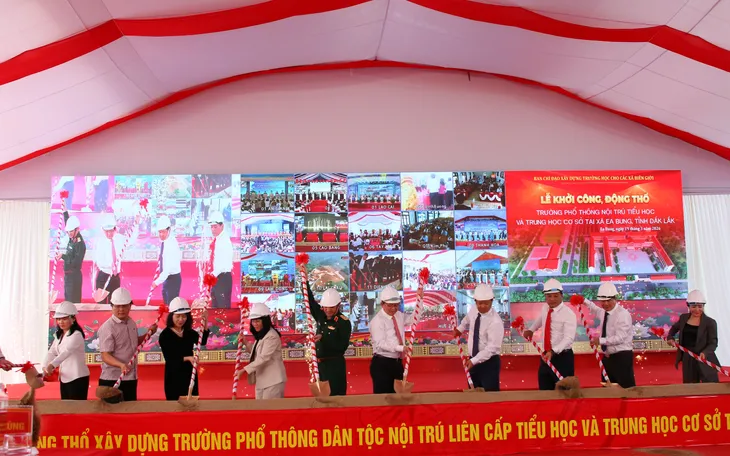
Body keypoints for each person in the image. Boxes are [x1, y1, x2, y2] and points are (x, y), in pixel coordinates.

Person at [97, 288, 158, 401]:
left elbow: (134, 342)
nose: (121, 309)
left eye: (124, 306)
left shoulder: (131, 323)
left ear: (130, 306)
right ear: (112, 306)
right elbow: (105, 356)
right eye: (117, 306)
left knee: (130, 409)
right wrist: (121, 365)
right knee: (111, 411)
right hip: (112, 379)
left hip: (130, 377)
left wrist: (149, 333)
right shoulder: (107, 327)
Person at [573, 282, 635, 388]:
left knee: (624, 390)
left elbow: (620, 338)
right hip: (608, 357)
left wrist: (600, 341)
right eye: (603, 301)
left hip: (622, 358)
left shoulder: (623, 315)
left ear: (615, 298)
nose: (605, 304)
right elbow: (595, 309)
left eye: (608, 300)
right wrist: (583, 300)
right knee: (607, 389)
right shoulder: (604, 312)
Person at [523, 279, 577, 391]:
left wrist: (553, 351)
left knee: (564, 392)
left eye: (555, 296)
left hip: (562, 357)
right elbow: (541, 319)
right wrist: (531, 330)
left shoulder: (568, 314)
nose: (552, 299)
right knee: (544, 390)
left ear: (562, 295)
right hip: (546, 356)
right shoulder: (545, 308)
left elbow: (568, 338)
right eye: (549, 296)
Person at [305, 282, 352, 396]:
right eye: (325, 307)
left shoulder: (343, 322)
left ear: (338, 305)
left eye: (331, 307)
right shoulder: (321, 315)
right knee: (320, 398)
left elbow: (342, 346)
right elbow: (310, 301)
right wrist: (305, 281)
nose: (328, 310)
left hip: (334, 366)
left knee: (335, 397)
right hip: (320, 366)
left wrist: (324, 338)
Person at [454, 284, 503, 391]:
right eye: (480, 303)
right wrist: (460, 329)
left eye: (486, 303)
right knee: (473, 394)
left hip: (489, 363)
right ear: (475, 301)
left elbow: (492, 348)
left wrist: (474, 360)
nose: (482, 306)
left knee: (490, 395)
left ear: (492, 301)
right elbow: (467, 319)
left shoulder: (496, 322)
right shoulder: (474, 309)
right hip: (473, 360)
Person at [159, 297, 208, 400]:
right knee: (174, 404)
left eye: (184, 316)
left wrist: (205, 322)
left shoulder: (188, 332)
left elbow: (202, 341)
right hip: (173, 376)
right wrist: (188, 358)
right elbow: (170, 359)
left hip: (190, 374)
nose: (181, 319)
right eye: (178, 316)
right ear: (171, 316)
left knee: (192, 403)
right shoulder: (165, 335)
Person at [667, 289, 720, 384]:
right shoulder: (683, 318)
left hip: (705, 358)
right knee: (690, 386)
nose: (697, 310)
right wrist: (670, 338)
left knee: (710, 387)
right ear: (688, 306)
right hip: (688, 357)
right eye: (693, 306)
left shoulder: (710, 322)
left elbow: (713, 343)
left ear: (703, 306)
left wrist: (705, 352)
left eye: (700, 306)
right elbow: (674, 329)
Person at [369, 285, 415, 394]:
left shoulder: (399, 315)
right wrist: (401, 348)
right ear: (382, 304)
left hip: (397, 363)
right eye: (390, 305)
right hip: (382, 364)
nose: (393, 308)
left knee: (399, 397)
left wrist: (420, 301)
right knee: (383, 398)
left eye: (396, 305)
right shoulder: (377, 321)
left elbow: (413, 320)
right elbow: (380, 344)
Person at [42, 301, 90, 399]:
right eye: (58, 319)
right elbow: (52, 352)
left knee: (76, 407)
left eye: (64, 318)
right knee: (66, 406)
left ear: (73, 318)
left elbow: (66, 352)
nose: (61, 322)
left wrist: (52, 365)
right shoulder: (59, 335)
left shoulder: (76, 334)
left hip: (77, 377)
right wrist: (45, 365)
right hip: (64, 377)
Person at [238, 302, 287, 399]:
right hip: (262, 380)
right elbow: (258, 352)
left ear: (265, 321)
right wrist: (246, 343)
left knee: (270, 408)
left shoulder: (271, 336)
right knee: (259, 408)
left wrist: (244, 370)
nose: (255, 324)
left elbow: (263, 357)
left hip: (273, 381)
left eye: (258, 321)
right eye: (253, 321)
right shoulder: (262, 334)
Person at [93, 214, 126, 303]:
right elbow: (99, 262)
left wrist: (137, 224)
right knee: (101, 304)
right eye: (106, 231)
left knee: (115, 303)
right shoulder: (100, 242)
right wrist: (110, 265)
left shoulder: (120, 239)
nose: (109, 234)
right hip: (103, 277)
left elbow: (131, 239)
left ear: (115, 229)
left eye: (111, 231)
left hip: (115, 277)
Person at [153, 215, 182, 305]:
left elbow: (167, 269)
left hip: (172, 279)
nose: (161, 234)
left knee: (172, 306)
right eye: (160, 232)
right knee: (166, 303)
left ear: (169, 230)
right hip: (167, 278)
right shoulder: (165, 242)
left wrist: (156, 282)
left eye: (163, 232)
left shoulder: (171, 245)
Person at [57, 213, 85, 303]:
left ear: (77, 229)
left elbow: (75, 262)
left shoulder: (80, 244)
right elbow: (67, 222)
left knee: (73, 303)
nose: (69, 233)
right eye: (68, 231)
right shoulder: (72, 237)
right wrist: (65, 211)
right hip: (68, 276)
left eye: (71, 231)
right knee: (67, 300)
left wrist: (63, 256)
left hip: (74, 277)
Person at [208, 211, 233, 308]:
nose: (213, 229)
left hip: (223, 278)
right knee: (215, 306)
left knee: (222, 308)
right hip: (217, 277)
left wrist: (212, 275)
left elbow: (223, 263)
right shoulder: (217, 239)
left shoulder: (224, 241)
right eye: (211, 227)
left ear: (222, 226)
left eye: (215, 227)